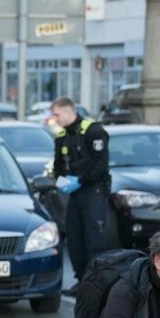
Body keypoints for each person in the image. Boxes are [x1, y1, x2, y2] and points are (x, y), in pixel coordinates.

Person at [49, 97, 111, 280]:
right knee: (74, 238)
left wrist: (81, 180)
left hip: (93, 190)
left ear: (68, 111)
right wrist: (61, 181)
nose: (55, 119)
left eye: (57, 114)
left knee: (93, 240)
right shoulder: (61, 136)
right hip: (74, 193)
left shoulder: (93, 131)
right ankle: (80, 280)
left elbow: (100, 165)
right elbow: (58, 165)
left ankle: (95, 282)